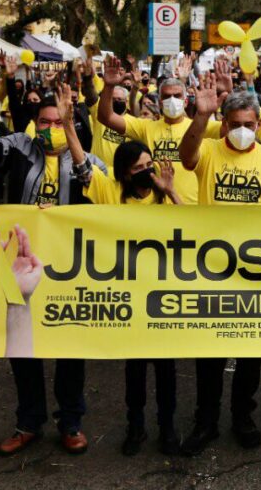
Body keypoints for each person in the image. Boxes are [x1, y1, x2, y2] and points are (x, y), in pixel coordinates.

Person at [0, 59, 96, 457]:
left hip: (74, 268)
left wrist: (72, 131)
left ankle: (70, 421)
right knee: (22, 347)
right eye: (46, 122)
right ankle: (29, 421)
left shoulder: (84, 157)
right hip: (20, 266)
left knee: (70, 347)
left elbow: (95, 186)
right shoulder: (20, 146)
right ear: (35, 124)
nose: (50, 128)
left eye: (60, 121)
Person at [178, 79, 261, 456]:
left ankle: (243, 416)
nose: (242, 130)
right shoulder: (209, 149)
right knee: (209, 354)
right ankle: (206, 421)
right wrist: (201, 115)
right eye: (235, 123)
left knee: (249, 355)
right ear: (224, 124)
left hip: (255, 276)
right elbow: (186, 157)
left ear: (259, 124)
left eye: (249, 123)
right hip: (211, 271)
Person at [83, 141, 181, 455]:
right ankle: (135, 427)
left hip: (164, 297)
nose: (146, 172)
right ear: (125, 173)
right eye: (138, 168)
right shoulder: (111, 193)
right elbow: (80, 163)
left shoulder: (163, 196)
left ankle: (167, 427)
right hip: (132, 298)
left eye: (149, 164)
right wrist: (70, 126)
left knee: (166, 372)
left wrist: (171, 192)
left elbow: (195, 227)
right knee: (135, 371)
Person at [98, 54, 221, 204]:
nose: (172, 100)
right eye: (167, 96)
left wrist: (229, 94)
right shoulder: (145, 127)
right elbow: (106, 118)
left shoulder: (200, 127)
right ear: (160, 102)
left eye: (177, 95)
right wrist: (109, 86)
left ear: (186, 100)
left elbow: (233, 128)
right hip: (156, 209)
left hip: (190, 209)